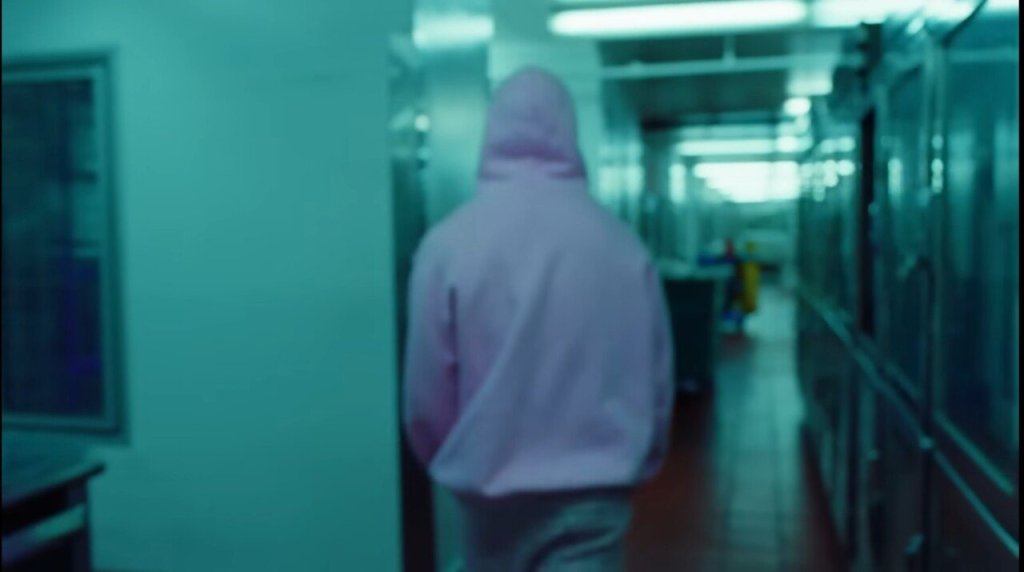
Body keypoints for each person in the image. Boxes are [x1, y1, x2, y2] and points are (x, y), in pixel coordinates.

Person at [402, 67, 674, 571]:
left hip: (489, 494)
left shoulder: (448, 245)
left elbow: (426, 395)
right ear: (571, 134)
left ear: (492, 132)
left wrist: (459, 460)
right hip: (596, 492)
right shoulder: (622, 245)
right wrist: (639, 458)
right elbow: (655, 378)